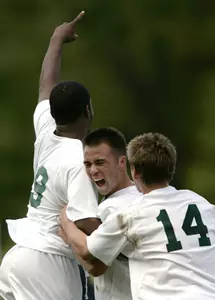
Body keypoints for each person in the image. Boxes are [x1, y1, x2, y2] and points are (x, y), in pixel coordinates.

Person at [0, 11, 102, 300]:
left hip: (16, 258)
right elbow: (87, 224)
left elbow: (47, 83)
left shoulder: (48, 127)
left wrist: (56, 39)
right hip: (48, 262)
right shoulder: (77, 159)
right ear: (87, 112)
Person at [60, 132, 215, 300]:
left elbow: (87, 251)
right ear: (171, 167)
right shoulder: (202, 204)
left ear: (133, 171)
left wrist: (66, 221)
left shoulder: (132, 214)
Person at [82, 127, 141, 300]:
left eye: (100, 163)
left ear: (122, 162)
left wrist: (66, 223)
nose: (93, 170)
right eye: (87, 164)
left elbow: (96, 266)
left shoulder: (117, 207)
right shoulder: (137, 196)